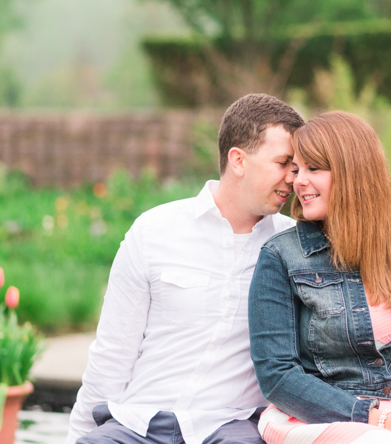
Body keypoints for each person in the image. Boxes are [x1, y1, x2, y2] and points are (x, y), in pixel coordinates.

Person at [66, 94, 305, 444]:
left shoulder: (293, 247)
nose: (293, 179)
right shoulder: (154, 231)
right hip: (139, 423)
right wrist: (78, 436)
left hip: (232, 426)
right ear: (238, 160)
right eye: (283, 163)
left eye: (296, 167)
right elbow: (112, 354)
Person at [248, 111, 391, 444]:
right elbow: (278, 375)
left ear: (354, 173)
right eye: (297, 169)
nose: (298, 181)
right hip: (318, 417)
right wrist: (377, 418)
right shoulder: (281, 257)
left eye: (314, 169)